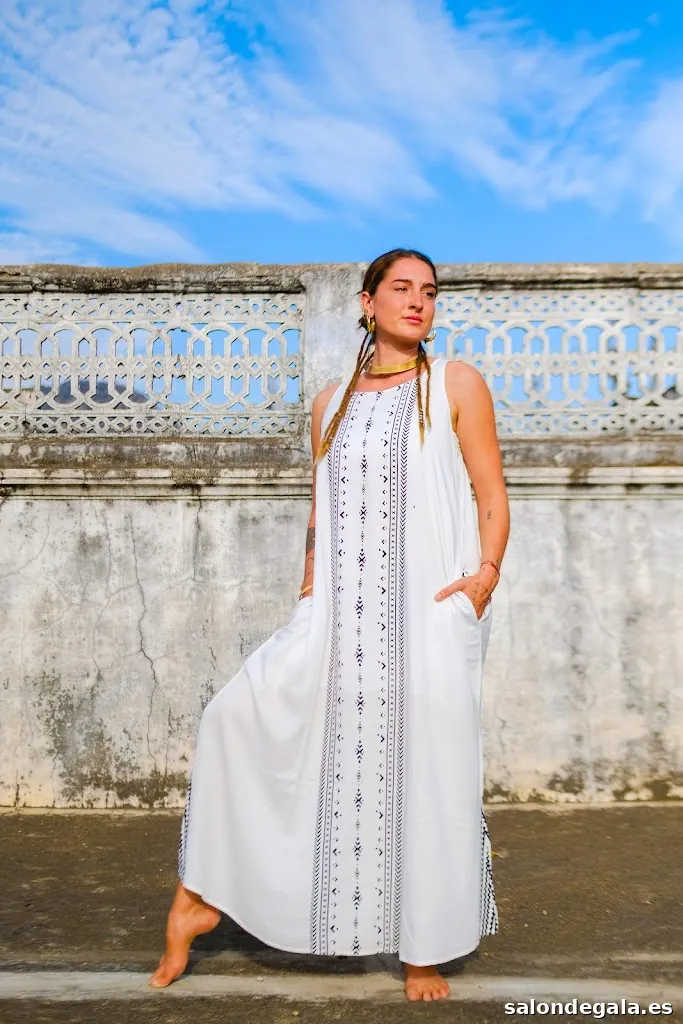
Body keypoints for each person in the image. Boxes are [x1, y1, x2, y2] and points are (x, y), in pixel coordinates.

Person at [149, 248, 510, 1002]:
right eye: (401, 288)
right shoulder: (330, 402)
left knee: (425, 769)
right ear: (367, 302)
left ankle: (421, 947)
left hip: (428, 615)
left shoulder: (455, 384)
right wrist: (309, 594)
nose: (418, 301)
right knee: (233, 718)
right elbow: (322, 512)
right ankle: (199, 896)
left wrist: (483, 579)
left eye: (429, 291)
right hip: (338, 614)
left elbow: (489, 492)